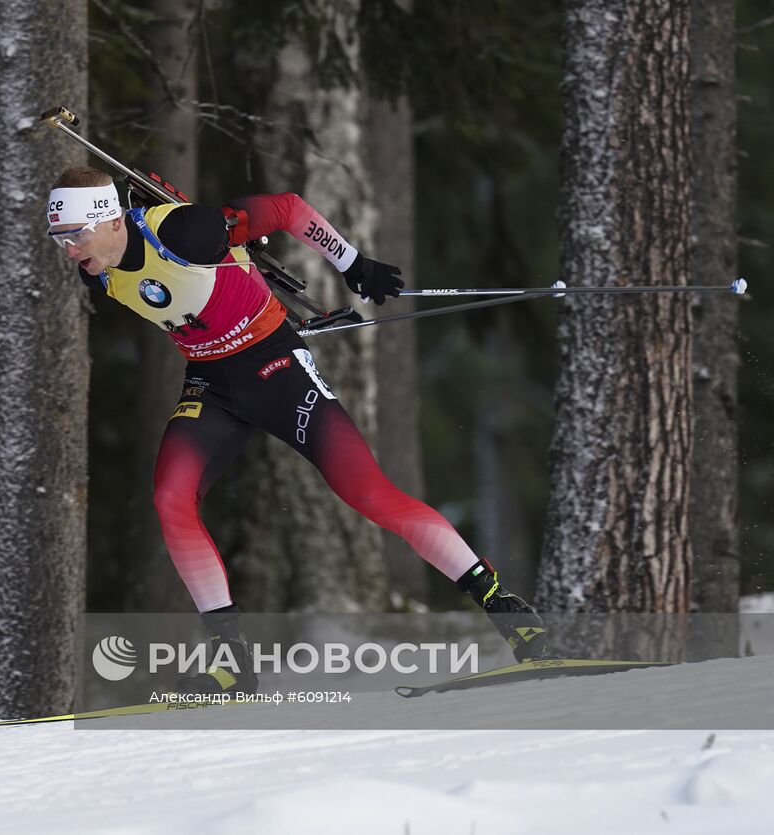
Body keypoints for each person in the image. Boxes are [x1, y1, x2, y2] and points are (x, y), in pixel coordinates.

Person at [46, 166, 549, 695]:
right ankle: (233, 662)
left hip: (275, 368)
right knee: (171, 496)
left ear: (109, 219)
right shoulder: (94, 266)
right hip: (211, 384)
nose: (69, 249)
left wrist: (354, 264)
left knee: (368, 493)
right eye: (59, 238)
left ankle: (508, 610)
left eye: (75, 233)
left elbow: (284, 208)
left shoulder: (182, 232)